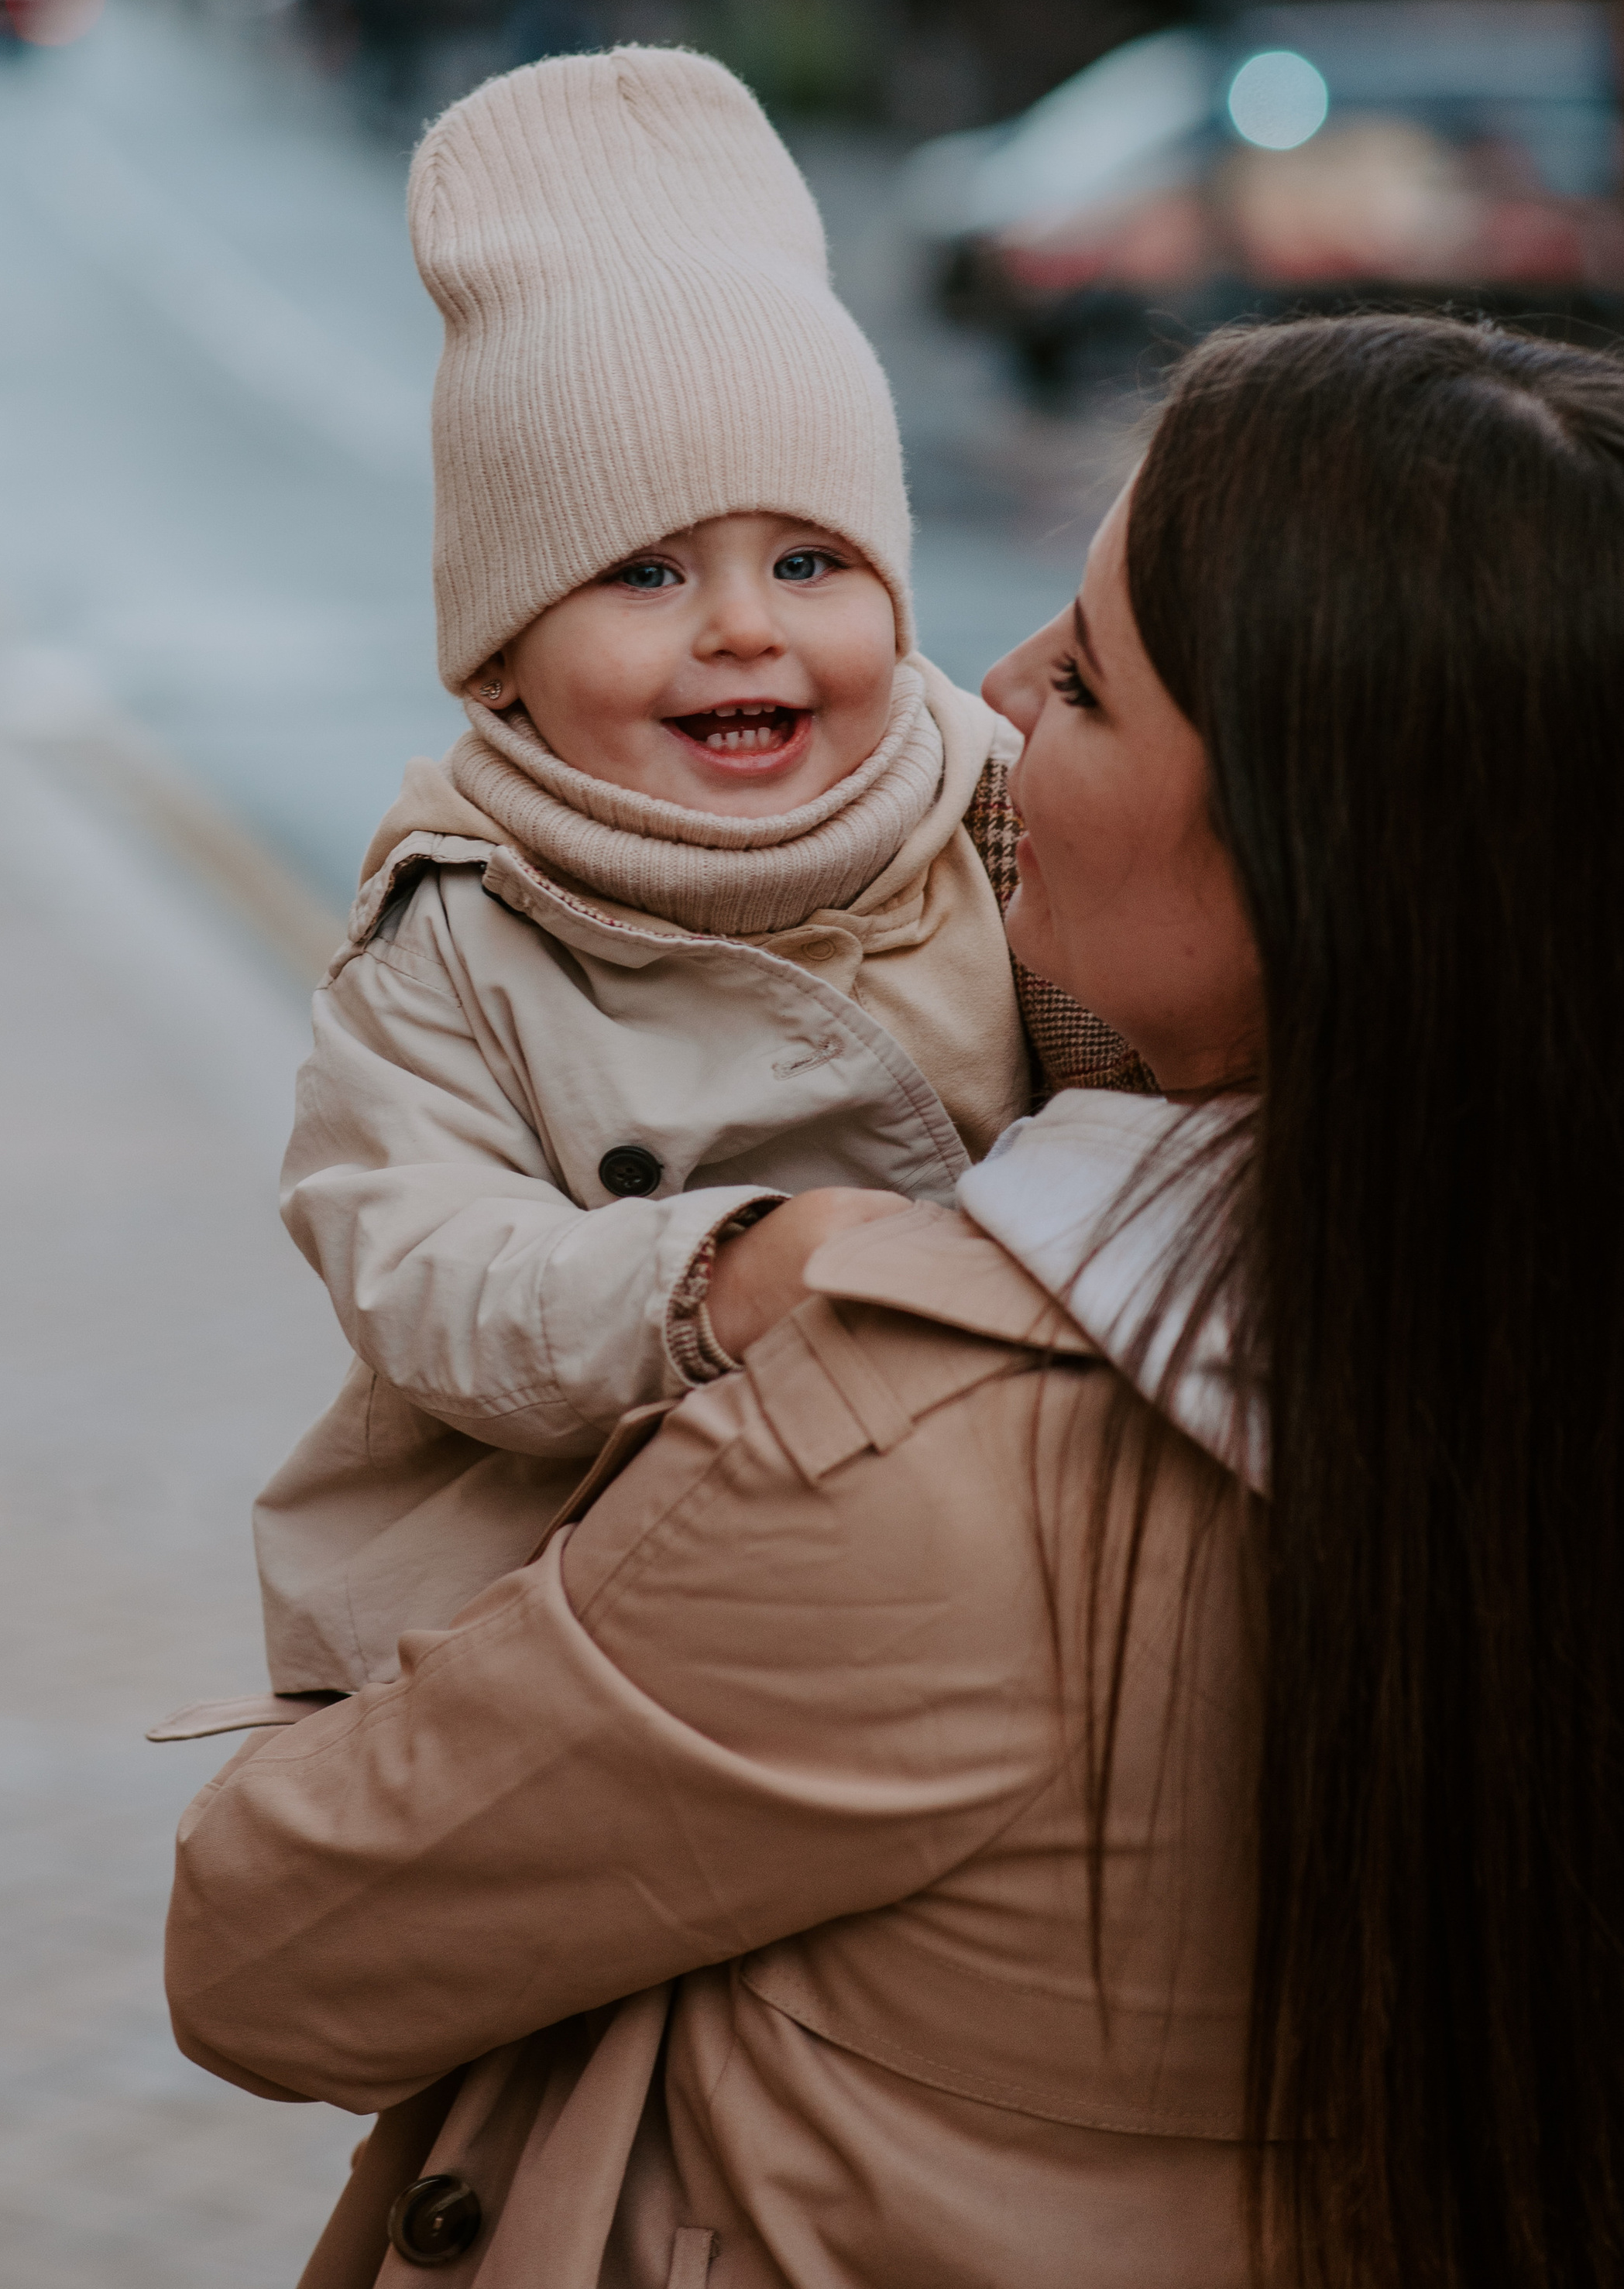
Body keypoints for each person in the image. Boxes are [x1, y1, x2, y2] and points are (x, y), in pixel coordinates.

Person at [167, 313, 1624, 2289]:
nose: (996, 696)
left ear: (1311, 843)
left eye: (1092, 685)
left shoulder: (920, 1469)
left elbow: (267, 1951)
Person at [158, 44, 1135, 1740]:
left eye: (810, 561)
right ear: (503, 655)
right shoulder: (457, 925)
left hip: (959, 1562)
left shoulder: (981, 799)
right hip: (567, 1606)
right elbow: (419, 1264)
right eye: (645, 570)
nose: (743, 627)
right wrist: (721, 1274)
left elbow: (1140, 1075)